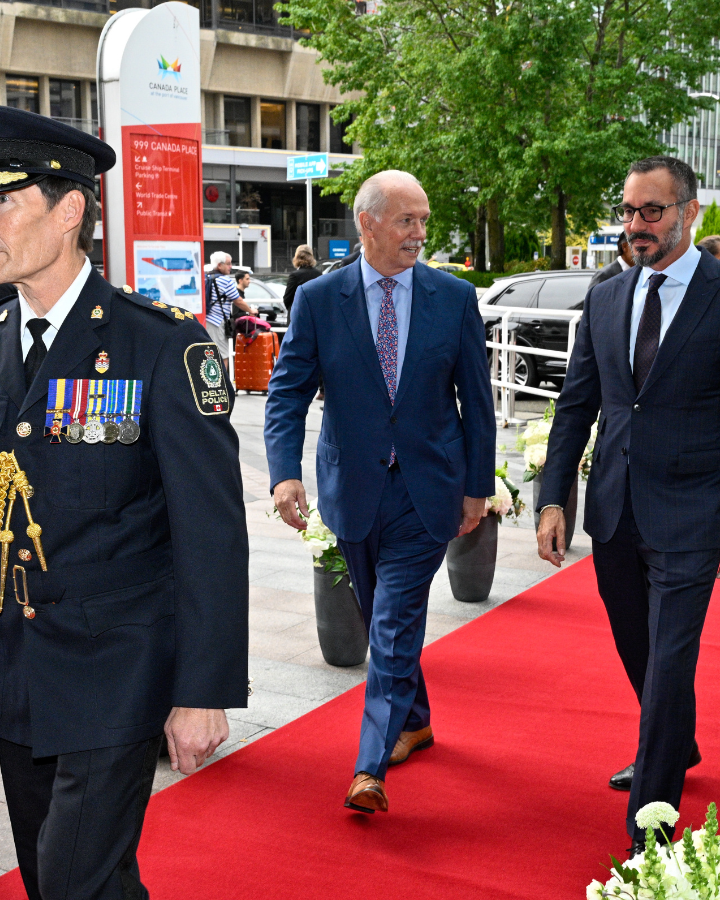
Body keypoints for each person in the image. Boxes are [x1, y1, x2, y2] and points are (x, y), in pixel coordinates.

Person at [0, 105, 249, 900]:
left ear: (69, 210)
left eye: (0, 200)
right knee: (56, 879)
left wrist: (202, 688)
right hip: (19, 671)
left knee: (73, 880)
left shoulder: (161, 345)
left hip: (120, 670)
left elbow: (211, 533)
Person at [534, 156, 720, 853]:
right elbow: (576, 404)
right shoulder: (608, 295)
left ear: (689, 212)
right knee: (639, 651)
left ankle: (651, 824)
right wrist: (554, 499)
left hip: (694, 512)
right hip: (614, 508)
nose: (636, 225)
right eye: (629, 211)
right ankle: (678, 741)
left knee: (670, 662)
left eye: (652, 211)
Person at [265, 170, 496, 815]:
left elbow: (476, 402)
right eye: (407, 220)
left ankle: (370, 766)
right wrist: (285, 473)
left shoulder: (453, 299)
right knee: (380, 617)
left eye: (424, 220)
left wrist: (478, 486)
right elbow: (285, 394)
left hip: (429, 491)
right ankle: (416, 720)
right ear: (367, 224)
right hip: (354, 490)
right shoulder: (318, 299)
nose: (420, 233)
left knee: (393, 622)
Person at [283, 244, 322, 310]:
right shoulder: (319, 274)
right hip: (314, 314)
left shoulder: (295, 275)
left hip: (298, 314)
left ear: (296, 257)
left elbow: (287, 299)